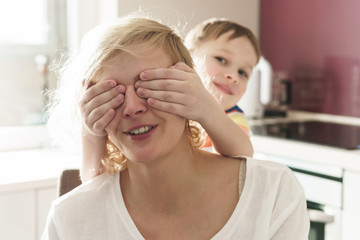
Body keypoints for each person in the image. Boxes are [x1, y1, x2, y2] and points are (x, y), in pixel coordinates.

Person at [42, 15, 309, 239]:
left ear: (190, 84)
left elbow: (242, 151)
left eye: (149, 86)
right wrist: (91, 134)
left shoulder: (273, 192)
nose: (133, 107)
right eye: (113, 94)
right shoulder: (69, 217)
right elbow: (95, 207)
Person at [79, 18, 260, 181]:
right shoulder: (123, 125)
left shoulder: (234, 118)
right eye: (221, 59)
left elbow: (243, 159)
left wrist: (208, 109)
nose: (233, 76)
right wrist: (93, 133)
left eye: (243, 73)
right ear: (189, 58)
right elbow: (94, 188)